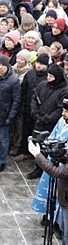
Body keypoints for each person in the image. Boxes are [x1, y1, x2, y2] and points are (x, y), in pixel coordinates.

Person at [31, 99, 68, 231]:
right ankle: (49, 214)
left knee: (61, 194)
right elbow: (54, 135)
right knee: (49, 190)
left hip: (63, 166)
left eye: (66, 111)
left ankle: (59, 222)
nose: (63, 114)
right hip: (53, 159)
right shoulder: (62, 121)